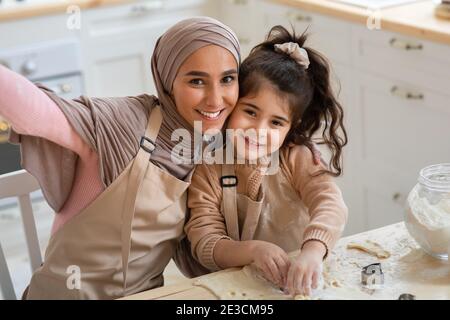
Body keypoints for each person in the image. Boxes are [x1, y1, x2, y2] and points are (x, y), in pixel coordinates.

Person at [0, 16, 240, 299]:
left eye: (227, 79)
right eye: (196, 80)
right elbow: (31, 111)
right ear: (167, 81)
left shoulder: (210, 149)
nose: (215, 100)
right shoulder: (124, 125)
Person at [185, 25, 349, 297]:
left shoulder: (296, 156)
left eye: (275, 122)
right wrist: (252, 251)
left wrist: (312, 251)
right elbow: (204, 241)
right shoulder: (208, 165)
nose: (258, 130)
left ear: (291, 126)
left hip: (301, 281)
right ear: (232, 103)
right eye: (250, 111)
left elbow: (330, 203)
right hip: (236, 290)